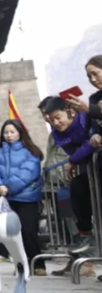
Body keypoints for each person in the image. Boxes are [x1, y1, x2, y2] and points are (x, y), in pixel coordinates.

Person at [44, 98, 97, 277]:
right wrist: (78, 156)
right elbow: (76, 151)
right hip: (82, 174)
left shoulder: (88, 117)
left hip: (93, 170)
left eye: (57, 118)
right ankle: (84, 243)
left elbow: (91, 143)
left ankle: (88, 259)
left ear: (70, 111)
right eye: (50, 120)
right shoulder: (58, 131)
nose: (55, 123)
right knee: (77, 197)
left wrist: (75, 158)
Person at [0, 120, 46, 276]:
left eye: (12, 132)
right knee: (12, 233)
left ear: (20, 132)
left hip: (27, 198)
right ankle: (22, 264)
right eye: (6, 132)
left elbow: (28, 172)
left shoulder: (31, 151)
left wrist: (9, 187)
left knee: (29, 231)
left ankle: (38, 264)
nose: (9, 135)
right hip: (8, 199)